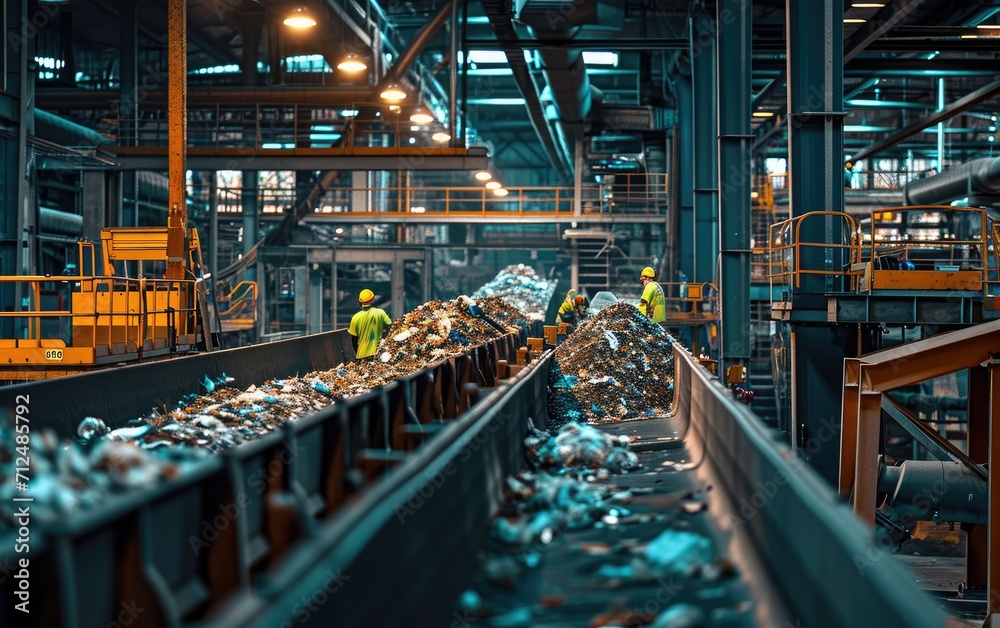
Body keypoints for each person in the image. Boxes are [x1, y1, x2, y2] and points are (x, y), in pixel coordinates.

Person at [348, 288, 392, 360]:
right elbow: (391, 327)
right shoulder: (380, 312)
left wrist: (358, 354)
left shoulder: (355, 318)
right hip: (378, 354)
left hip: (362, 355)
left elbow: (354, 340)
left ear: (360, 302)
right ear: (372, 300)